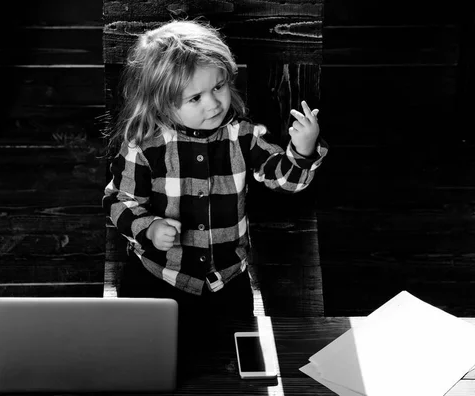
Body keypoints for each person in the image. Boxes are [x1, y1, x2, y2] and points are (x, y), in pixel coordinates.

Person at [102, 19, 328, 323]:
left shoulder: (242, 136)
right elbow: (120, 201)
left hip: (228, 282)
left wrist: (302, 150)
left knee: (232, 359)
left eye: (218, 87)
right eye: (195, 98)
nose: (213, 103)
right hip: (158, 280)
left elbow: (284, 181)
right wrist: (150, 228)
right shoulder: (145, 146)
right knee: (153, 360)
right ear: (162, 103)